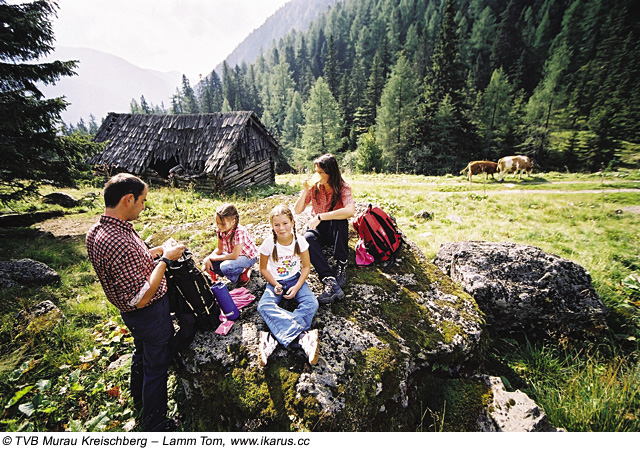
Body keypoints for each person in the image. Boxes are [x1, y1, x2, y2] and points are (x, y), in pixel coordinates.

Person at [85, 173, 185, 432]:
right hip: (148, 313)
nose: (143, 207)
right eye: (142, 201)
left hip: (129, 315)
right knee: (157, 364)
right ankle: (155, 422)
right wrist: (166, 261)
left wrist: (157, 251)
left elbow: (131, 263)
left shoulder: (97, 232)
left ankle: (138, 400)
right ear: (128, 199)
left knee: (141, 354)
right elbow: (141, 298)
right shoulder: (120, 241)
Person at [257, 204, 319, 366]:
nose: (281, 228)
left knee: (312, 303)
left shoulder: (300, 241)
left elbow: (306, 267)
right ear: (272, 226)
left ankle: (272, 337)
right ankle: (303, 338)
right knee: (263, 306)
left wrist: (298, 286)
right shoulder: (268, 244)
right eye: (276, 224)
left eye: (285, 223)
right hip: (275, 283)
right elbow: (263, 269)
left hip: (295, 280)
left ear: (292, 222)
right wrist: (275, 284)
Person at [294, 154, 355, 304]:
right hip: (319, 230)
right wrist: (305, 190)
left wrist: (321, 216)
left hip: (334, 230)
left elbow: (350, 211)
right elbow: (297, 210)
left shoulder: (342, 187)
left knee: (341, 221)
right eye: (316, 171)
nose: (317, 175)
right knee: (306, 238)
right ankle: (329, 280)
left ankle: (341, 263)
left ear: (331, 172)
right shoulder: (315, 188)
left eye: (321, 172)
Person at [202, 203, 258, 287]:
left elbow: (235, 256)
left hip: (248, 257)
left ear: (233, 222)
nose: (219, 226)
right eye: (217, 223)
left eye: (222, 224)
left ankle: (243, 272)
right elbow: (219, 249)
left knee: (225, 267)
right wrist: (209, 258)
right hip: (234, 257)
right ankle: (238, 272)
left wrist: (217, 258)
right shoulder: (221, 231)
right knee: (210, 264)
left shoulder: (239, 232)